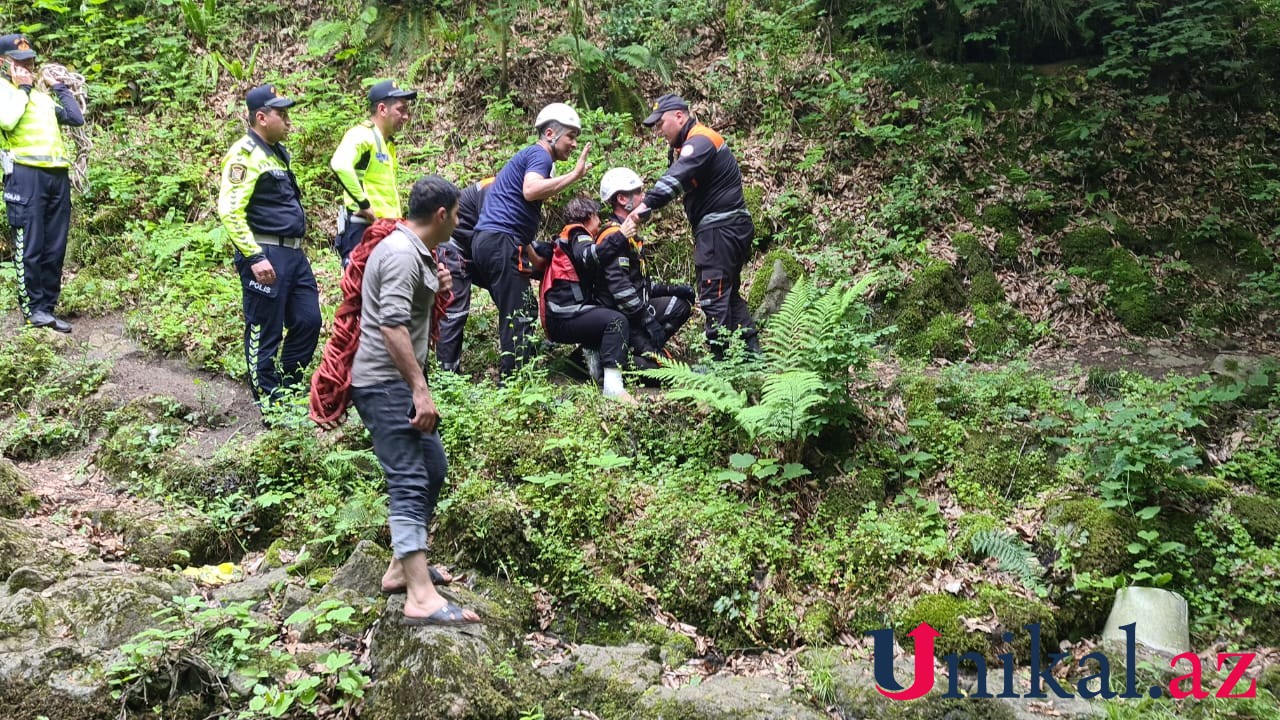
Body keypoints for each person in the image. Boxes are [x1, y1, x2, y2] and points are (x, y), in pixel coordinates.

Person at [350, 175, 479, 626]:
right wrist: (420, 389)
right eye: (458, 213)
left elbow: (408, 306)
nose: (460, 221)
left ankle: (399, 569)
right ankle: (420, 598)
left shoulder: (412, 251)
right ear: (442, 215)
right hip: (385, 385)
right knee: (408, 479)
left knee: (434, 468)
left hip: (397, 383)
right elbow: (391, 327)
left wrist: (436, 287)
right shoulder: (403, 254)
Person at [627, 94, 759, 358]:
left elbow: (676, 178)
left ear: (679, 116)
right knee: (728, 293)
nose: (659, 132)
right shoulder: (685, 145)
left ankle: (720, 362)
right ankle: (751, 355)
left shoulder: (700, 140)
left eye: (661, 124)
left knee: (713, 293)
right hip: (724, 227)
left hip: (721, 229)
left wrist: (643, 208)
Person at [217, 84, 320, 408]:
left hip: (293, 253)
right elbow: (229, 210)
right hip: (265, 253)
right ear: (261, 117)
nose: (288, 121)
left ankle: (288, 387)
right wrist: (254, 256)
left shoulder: (276, 153)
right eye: (282, 114)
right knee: (265, 330)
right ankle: (270, 403)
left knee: (308, 320)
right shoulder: (244, 154)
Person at [470, 102, 591, 377]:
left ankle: (520, 375)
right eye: (570, 136)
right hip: (499, 242)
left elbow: (510, 210)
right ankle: (514, 384)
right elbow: (530, 190)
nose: (574, 144)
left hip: (491, 241)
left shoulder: (530, 157)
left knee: (519, 307)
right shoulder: (540, 156)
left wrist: (532, 256)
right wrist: (573, 175)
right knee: (518, 314)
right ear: (550, 133)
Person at [1, 33, 84, 333]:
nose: (27, 66)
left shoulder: (41, 97)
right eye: (20, 61)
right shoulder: (4, 91)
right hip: (25, 176)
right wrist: (22, 88)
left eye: (30, 61)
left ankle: (47, 308)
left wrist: (59, 87)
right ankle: (32, 310)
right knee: (30, 246)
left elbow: (75, 118)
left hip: (56, 176)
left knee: (55, 246)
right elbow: (8, 121)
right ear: (4, 63)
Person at [596, 167, 694, 366]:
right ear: (623, 199)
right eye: (639, 193)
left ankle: (645, 347)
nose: (644, 197)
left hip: (634, 313)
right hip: (621, 319)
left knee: (680, 305)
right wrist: (646, 320)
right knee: (660, 370)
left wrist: (670, 289)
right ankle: (622, 358)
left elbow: (637, 283)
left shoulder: (631, 235)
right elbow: (620, 290)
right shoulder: (614, 237)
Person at [539, 197, 635, 402]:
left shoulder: (568, 238)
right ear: (588, 216)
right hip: (564, 314)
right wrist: (621, 235)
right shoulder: (578, 233)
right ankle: (613, 387)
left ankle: (587, 371)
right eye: (597, 216)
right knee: (616, 321)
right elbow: (589, 257)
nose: (600, 222)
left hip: (561, 314)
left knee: (601, 317)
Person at [329, 80, 417, 266]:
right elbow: (340, 164)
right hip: (364, 230)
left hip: (386, 230)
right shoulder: (362, 134)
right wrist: (364, 203)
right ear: (382, 109)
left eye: (407, 111)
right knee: (362, 291)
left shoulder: (387, 143)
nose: (406, 116)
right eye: (401, 110)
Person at [434, 176, 493, 373]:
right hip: (454, 247)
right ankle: (447, 373)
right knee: (454, 310)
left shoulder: (498, 188)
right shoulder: (493, 189)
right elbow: (491, 232)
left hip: (469, 248)